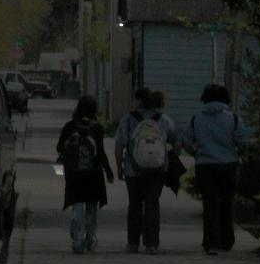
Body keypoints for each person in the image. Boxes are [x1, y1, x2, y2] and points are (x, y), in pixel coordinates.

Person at [181, 82, 250, 254]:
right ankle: (227, 240)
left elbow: (186, 141)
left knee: (209, 204)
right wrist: (238, 152)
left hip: (205, 165)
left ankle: (211, 242)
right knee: (226, 203)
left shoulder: (196, 118)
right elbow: (243, 142)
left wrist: (197, 154)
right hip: (228, 164)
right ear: (225, 99)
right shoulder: (233, 118)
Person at [114, 87, 178, 254]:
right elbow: (176, 142)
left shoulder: (128, 119)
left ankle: (133, 243)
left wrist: (119, 166)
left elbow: (119, 145)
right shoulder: (164, 120)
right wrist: (169, 161)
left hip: (133, 170)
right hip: (157, 170)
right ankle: (151, 244)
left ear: (139, 101)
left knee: (134, 205)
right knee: (152, 204)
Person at [55, 94, 114, 254]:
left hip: (74, 173)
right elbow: (100, 152)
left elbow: (59, 147)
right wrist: (109, 172)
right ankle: (90, 238)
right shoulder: (97, 128)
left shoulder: (69, 127)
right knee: (91, 209)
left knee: (77, 206)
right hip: (93, 174)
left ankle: (76, 239)